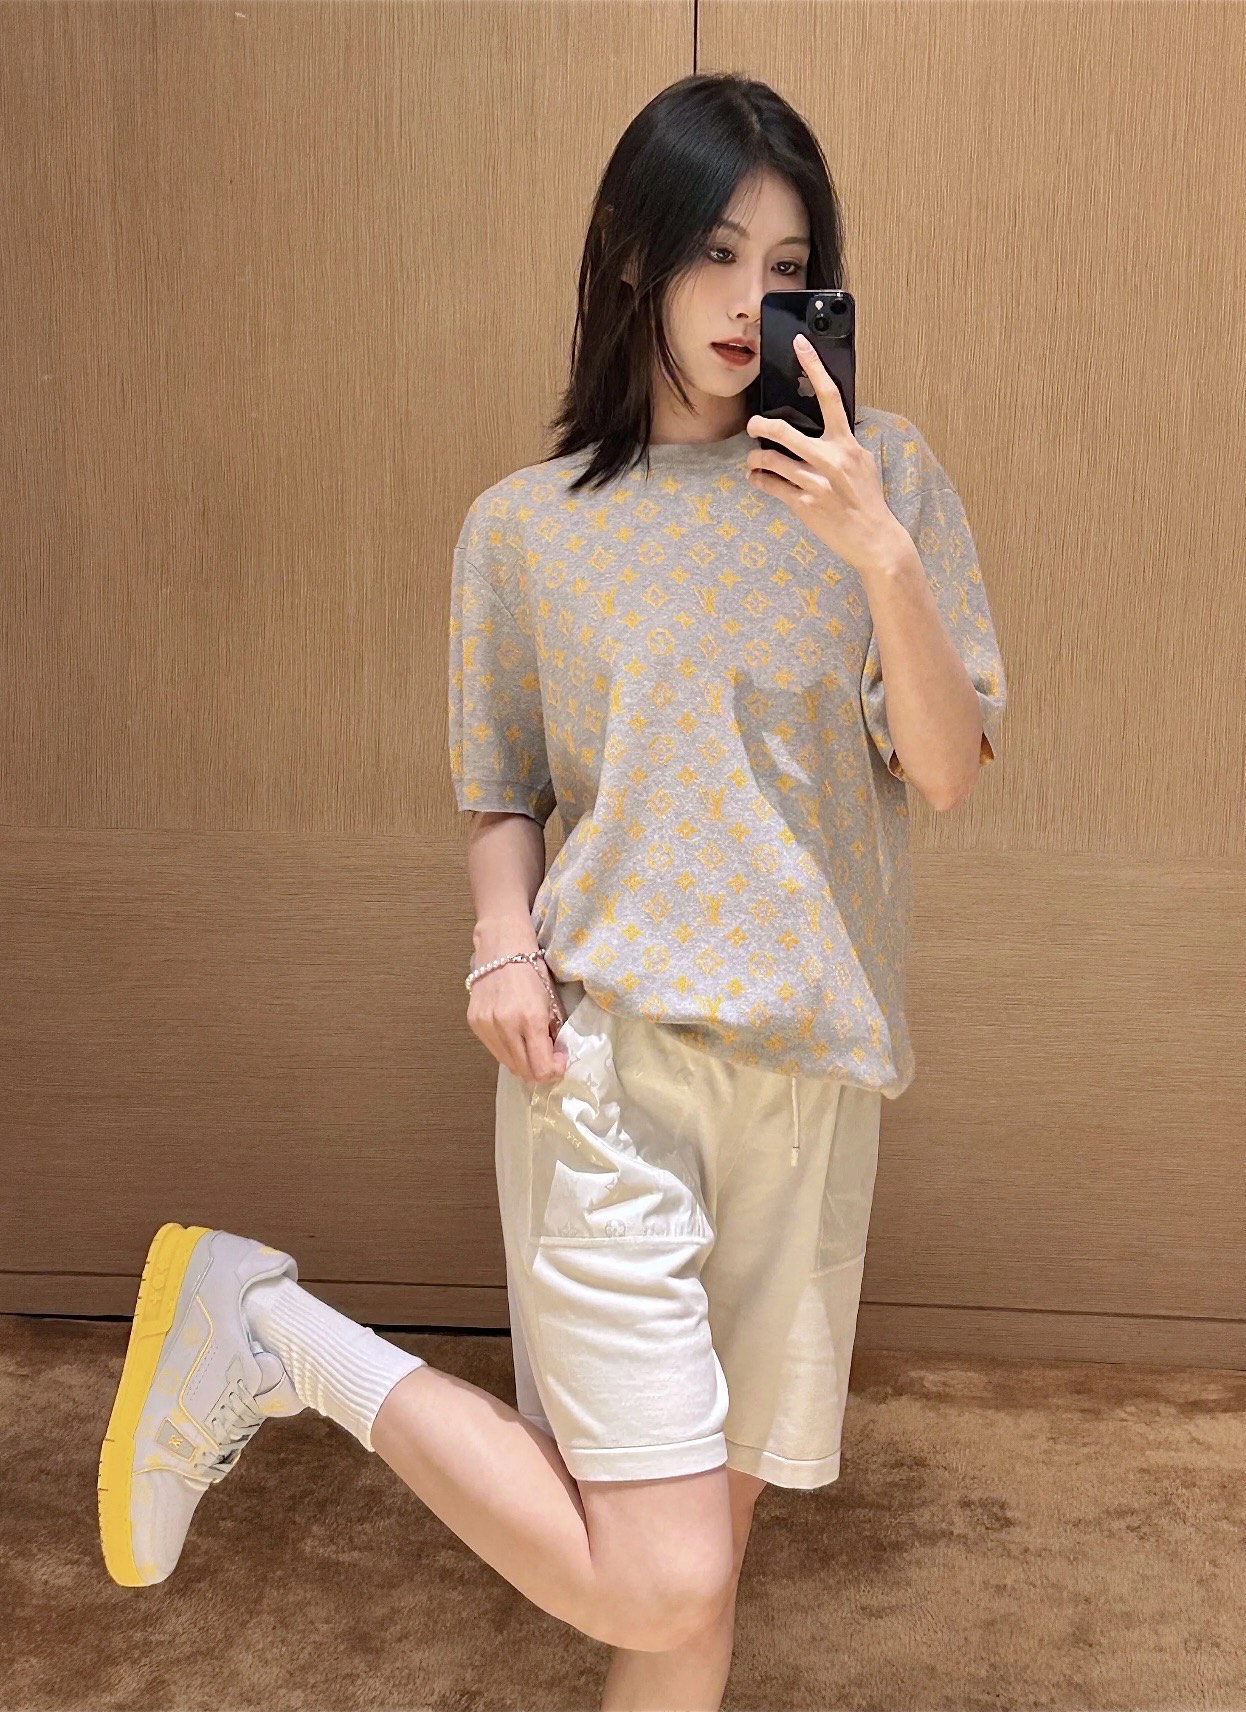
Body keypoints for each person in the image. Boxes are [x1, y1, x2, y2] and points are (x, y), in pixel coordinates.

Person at [98, 72, 1006, 1712]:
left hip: (816, 1086)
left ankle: (265, 1332)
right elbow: (502, 785)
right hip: (611, 1077)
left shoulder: (888, 482)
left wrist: (881, 555)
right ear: (634, 257)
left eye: (786, 265)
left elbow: (943, 767)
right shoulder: (526, 530)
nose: (745, 299)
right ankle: (270, 1332)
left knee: (696, 1580)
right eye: (714, 252)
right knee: (662, 1570)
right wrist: (500, 948)